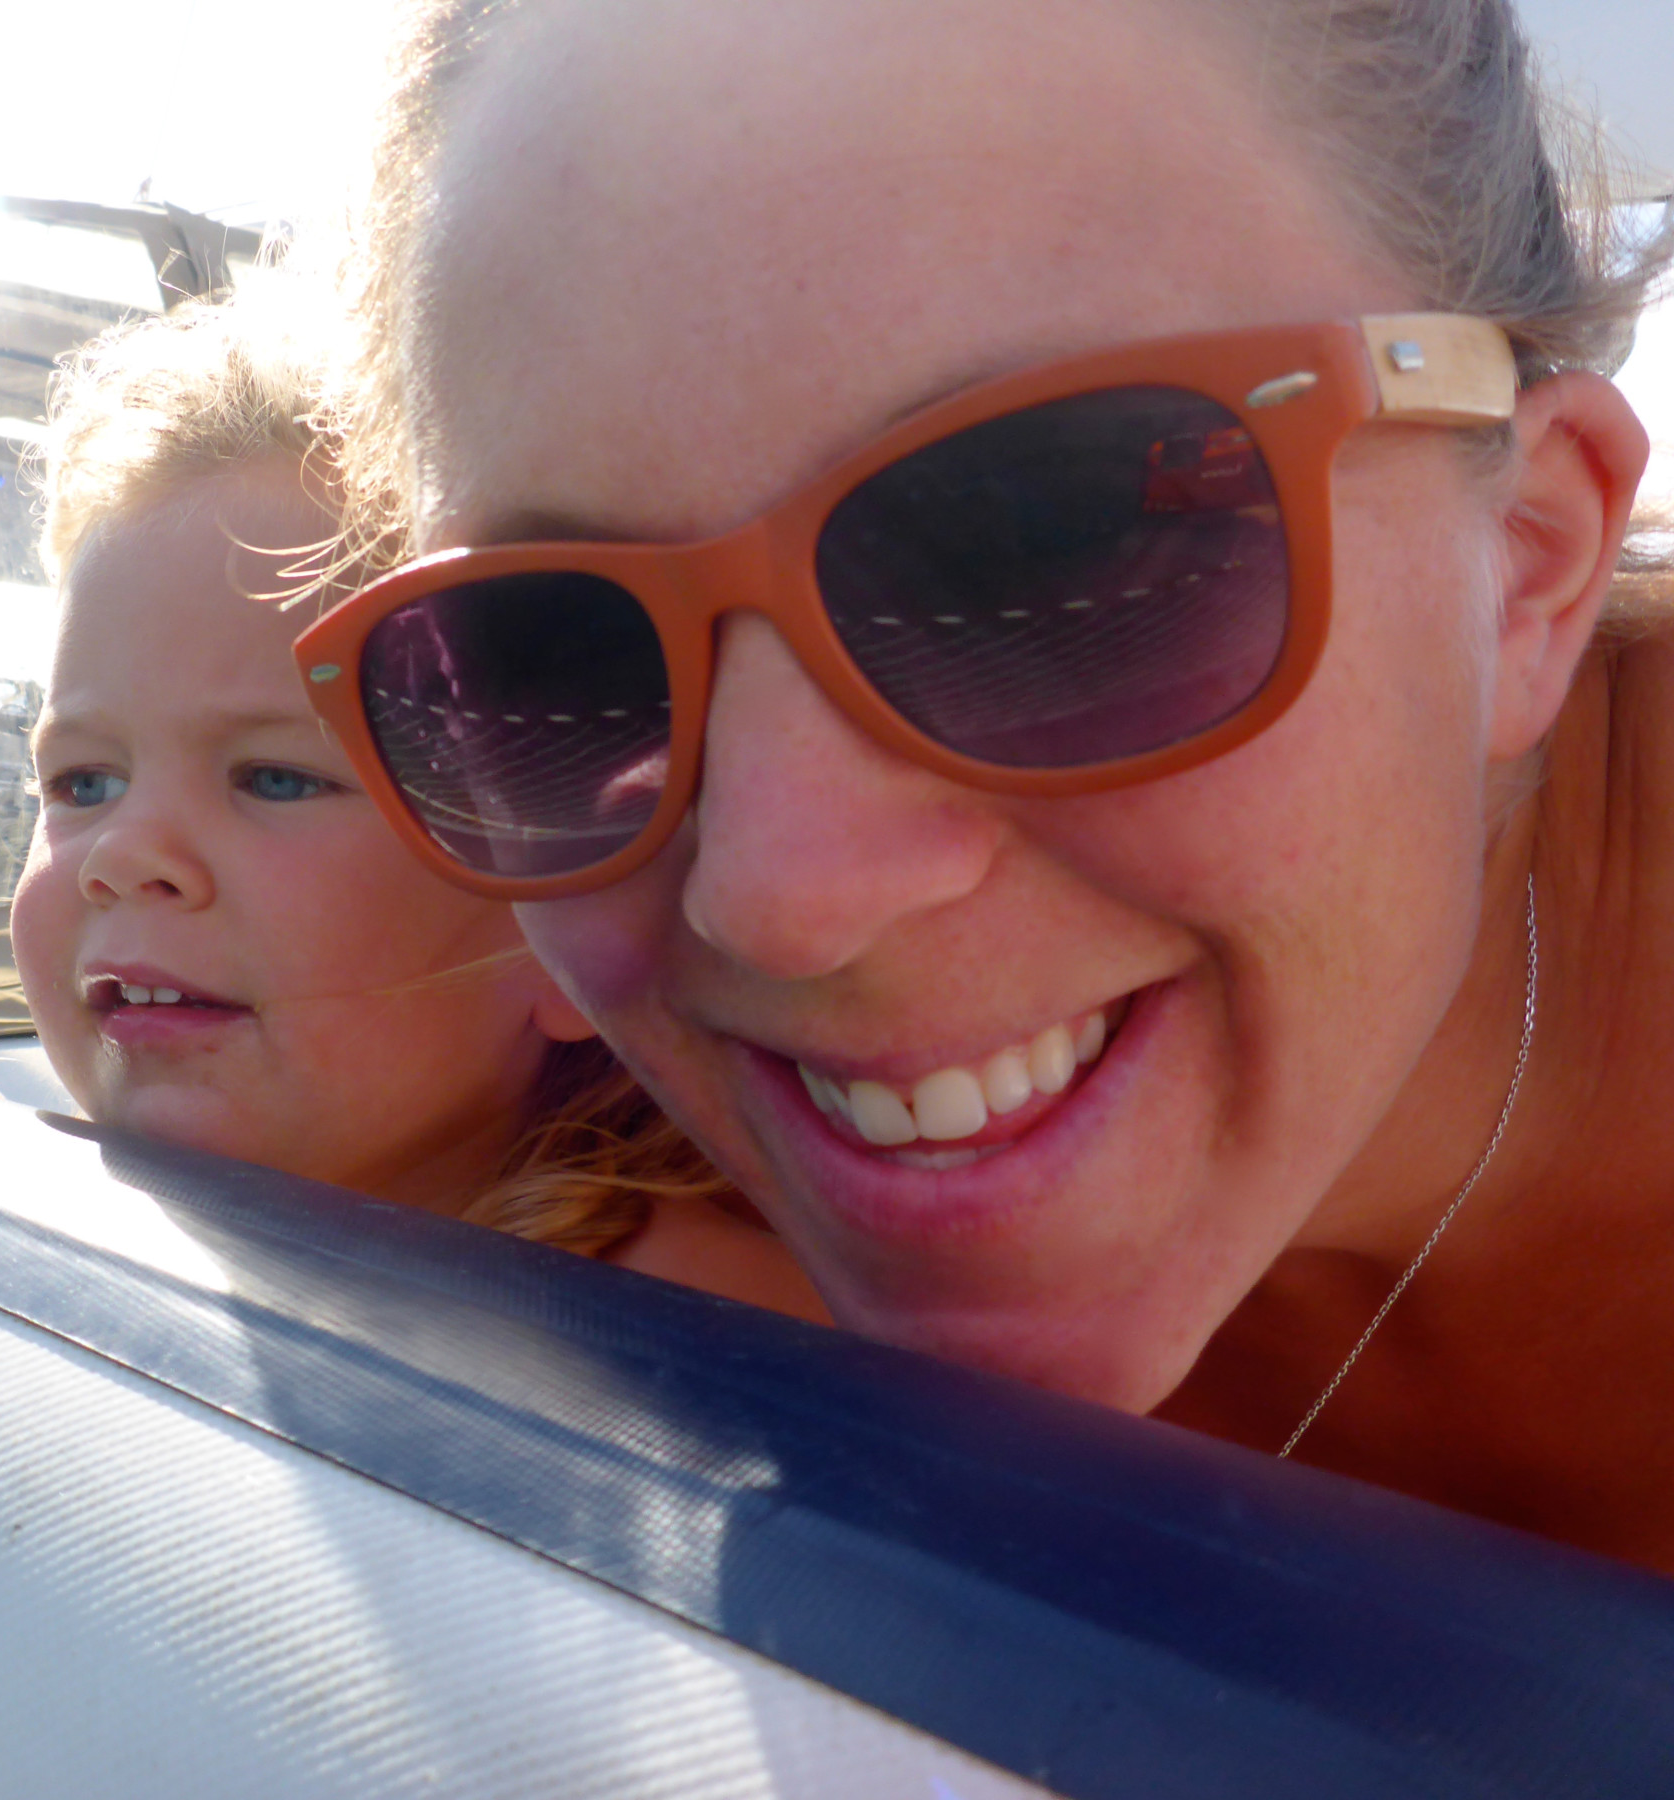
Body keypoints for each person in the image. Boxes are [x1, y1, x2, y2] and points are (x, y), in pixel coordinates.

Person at [293, 0, 1674, 1566]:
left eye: (1051, 548)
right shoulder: (627, 1249)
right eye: (553, 658)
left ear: (1528, 562)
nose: (781, 901)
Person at [0, 296, 827, 1322]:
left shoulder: (692, 1338)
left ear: (576, 914)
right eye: (82, 782)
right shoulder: (321, 1200)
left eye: (276, 777)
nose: (124, 856)